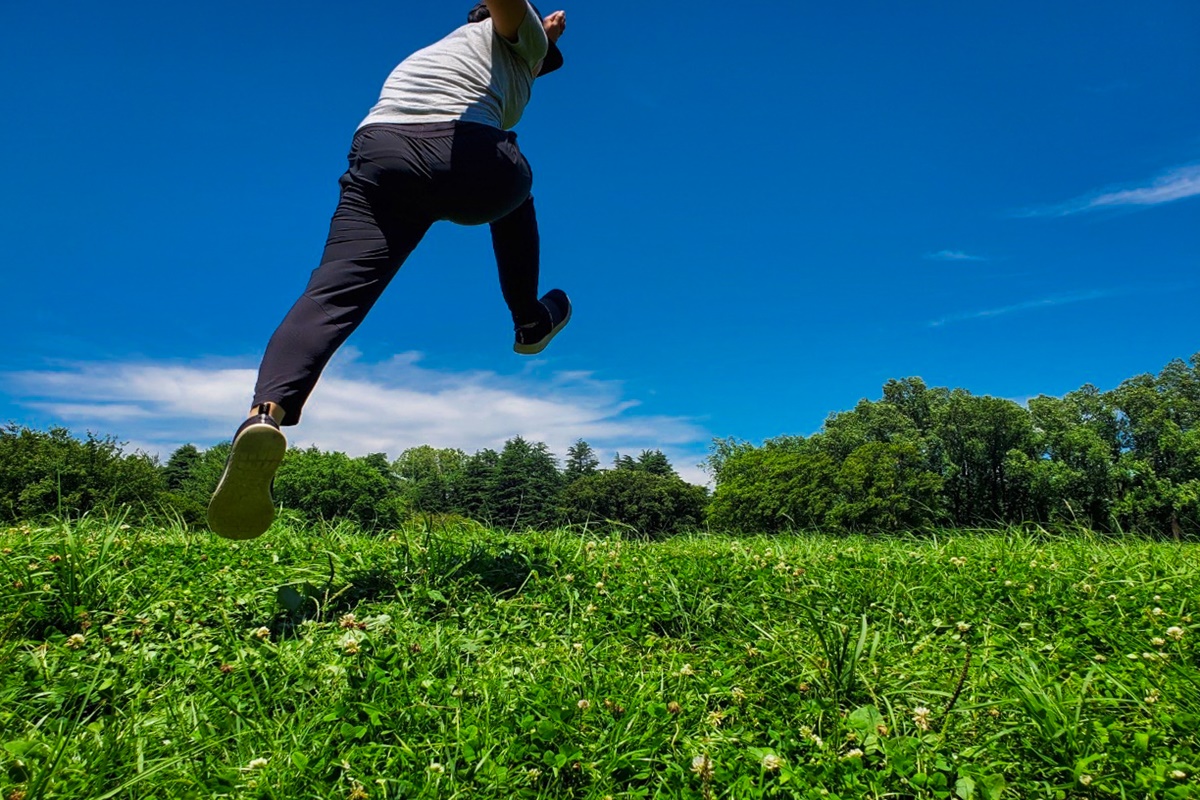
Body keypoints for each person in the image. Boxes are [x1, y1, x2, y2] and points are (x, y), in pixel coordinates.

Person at [207, 0, 571, 540]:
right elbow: (510, 15)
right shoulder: (517, 41)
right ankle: (528, 320)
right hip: (466, 150)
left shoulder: (429, 55)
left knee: (331, 294)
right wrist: (542, 30)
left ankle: (265, 416)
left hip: (379, 152)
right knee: (513, 188)